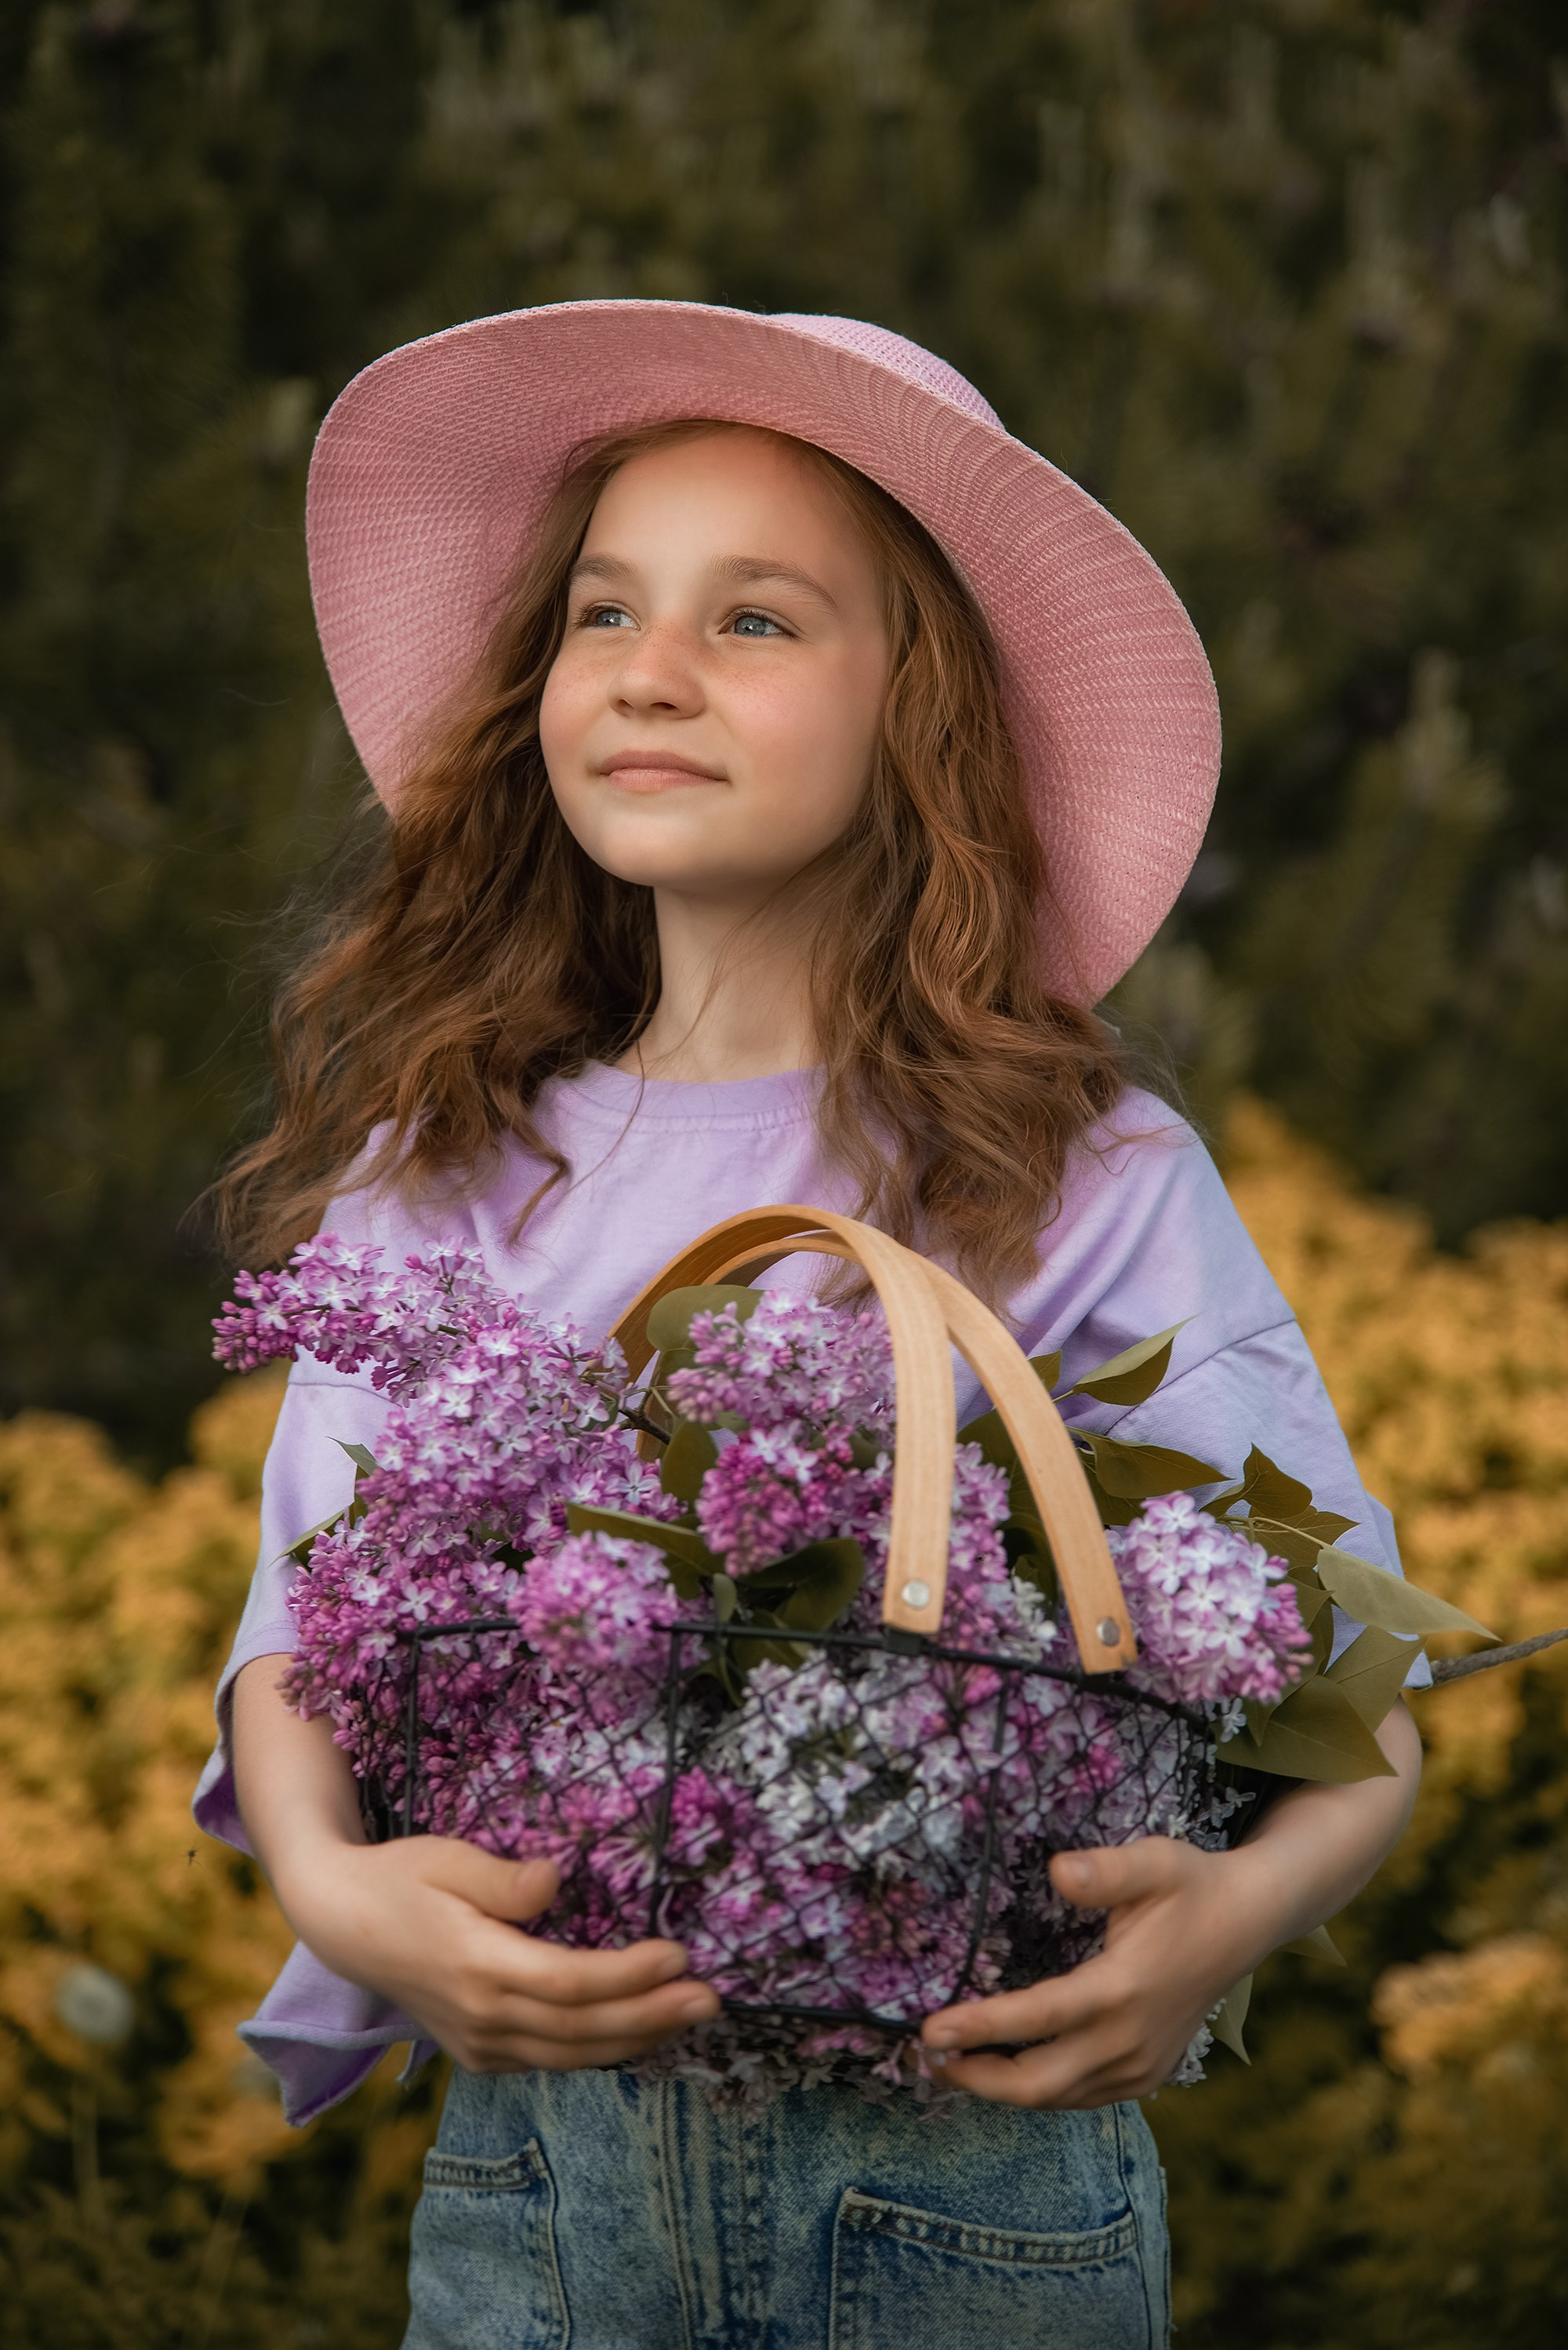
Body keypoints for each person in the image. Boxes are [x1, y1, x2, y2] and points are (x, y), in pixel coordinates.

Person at [197, 303, 1421, 2348]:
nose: (652, 672)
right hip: (536, 2184)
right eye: (605, 612)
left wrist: (1228, 1918)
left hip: (964, 2188)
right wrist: (335, 1886)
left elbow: (1356, 1680)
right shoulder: (452, 1159)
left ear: (918, 711)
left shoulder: (1080, 1176)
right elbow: (295, 1623)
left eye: (755, 622)